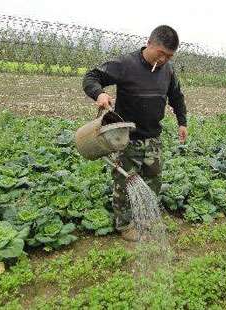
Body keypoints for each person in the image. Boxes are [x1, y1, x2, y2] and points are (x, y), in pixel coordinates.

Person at [82, 25, 188, 241]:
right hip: (125, 139)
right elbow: (91, 76)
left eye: (169, 56)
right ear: (149, 43)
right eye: (161, 54)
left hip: (153, 138)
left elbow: (177, 97)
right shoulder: (125, 64)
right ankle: (125, 225)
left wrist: (182, 122)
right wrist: (100, 94)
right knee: (124, 184)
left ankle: (147, 218)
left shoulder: (168, 70)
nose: (164, 60)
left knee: (154, 181)